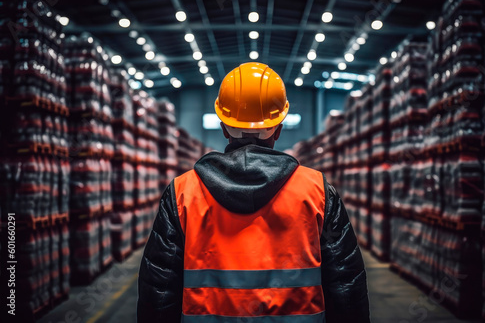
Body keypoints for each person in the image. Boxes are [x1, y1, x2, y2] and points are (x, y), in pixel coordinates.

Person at [137, 62, 370, 323]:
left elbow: (158, 290)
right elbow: (346, 287)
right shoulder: (318, 192)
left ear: (224, 127)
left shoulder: (182, 193)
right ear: (279, 128)